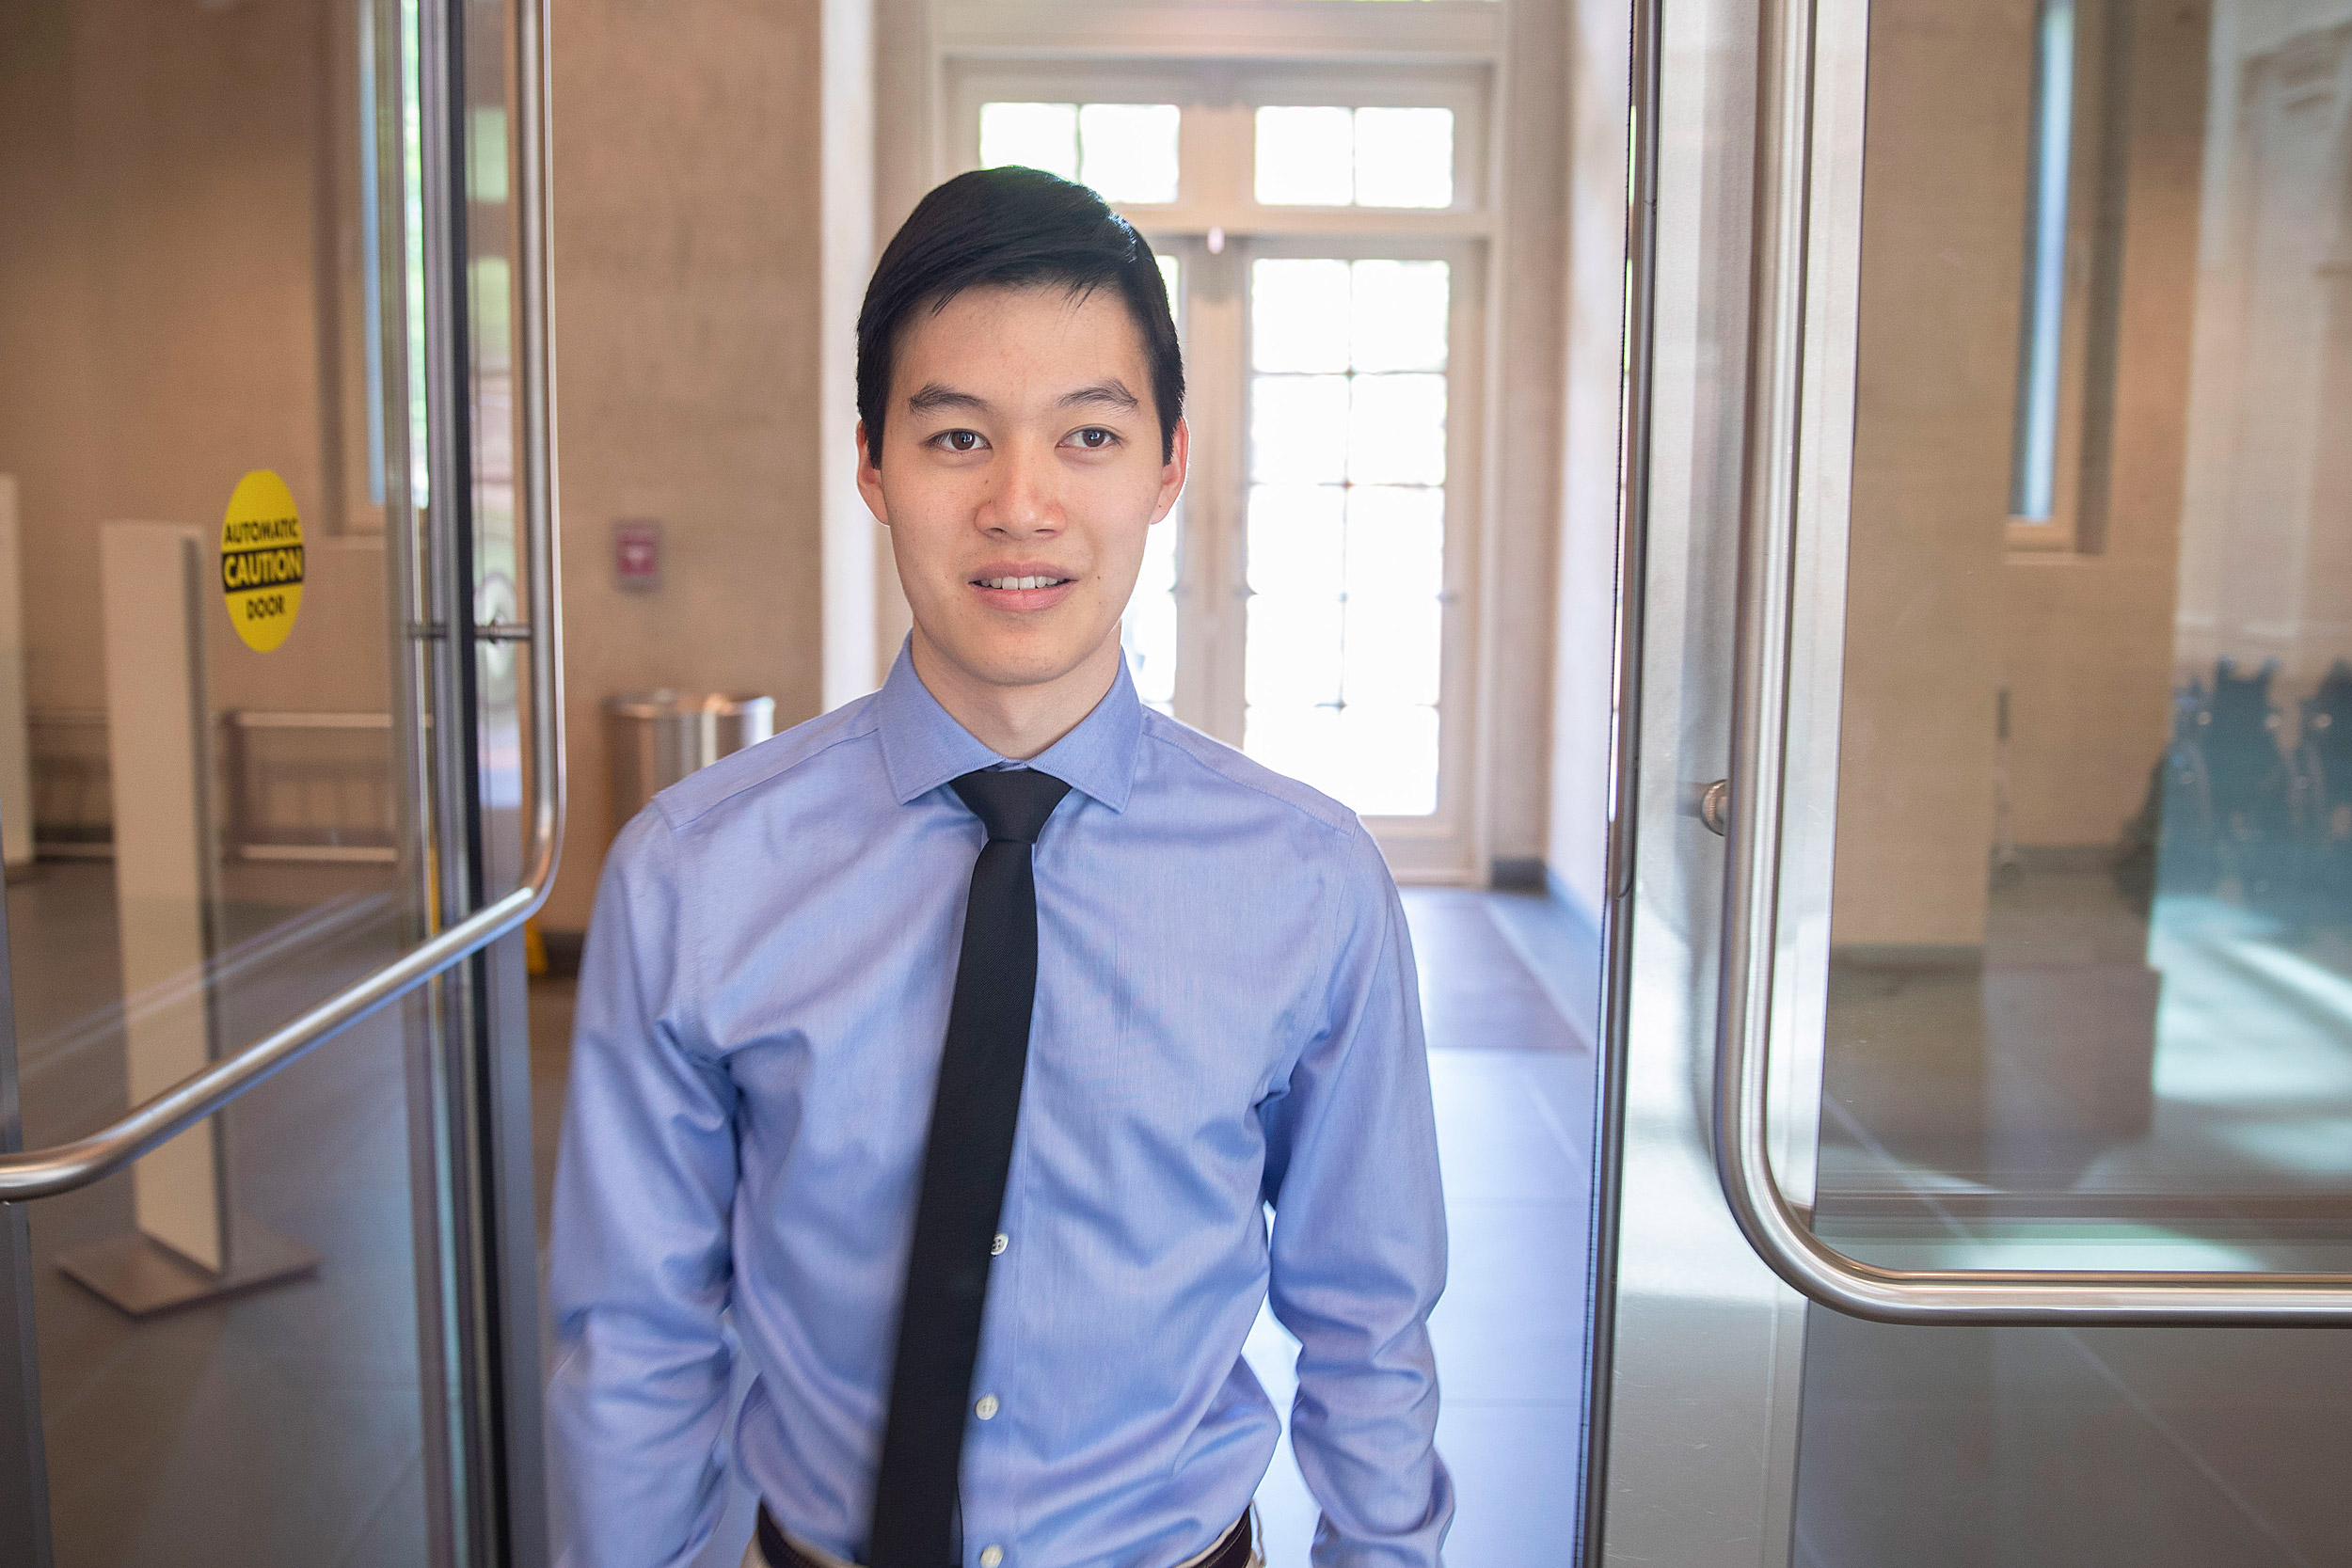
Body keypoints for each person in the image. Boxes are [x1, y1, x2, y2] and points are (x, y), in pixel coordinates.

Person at [548, 166, 1453, 1568]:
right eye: (958, 436)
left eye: (1088, 434)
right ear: (871, 463)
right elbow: (634, 1340)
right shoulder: (694, 877)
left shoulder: (1309, 884)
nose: (1021, 506)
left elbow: (1368, 1318)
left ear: (1168, 465)